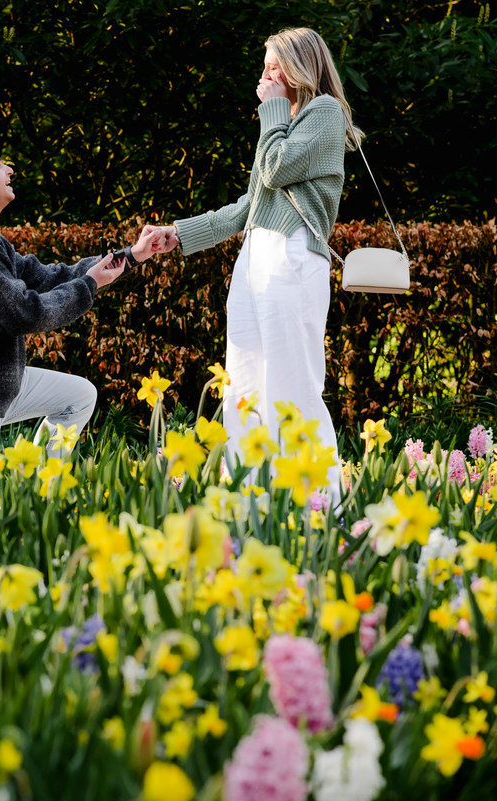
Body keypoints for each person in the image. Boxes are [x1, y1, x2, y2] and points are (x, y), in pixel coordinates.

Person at [146, 27, 363, 504]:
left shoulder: (324, 112)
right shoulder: (285, 124)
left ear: (300, 67)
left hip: (290, 256)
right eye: (263, 66)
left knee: (292, 386)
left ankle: (317, 504)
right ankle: (253, 503)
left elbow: (275, 170)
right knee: (245, 388)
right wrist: (179, 234)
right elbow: (251, 203)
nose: (265, 75)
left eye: (274, 65)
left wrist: (271, 114)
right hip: (255, 258)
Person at [0, 137, 160, 476]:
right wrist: (91, 284)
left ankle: (36, 483)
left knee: (77, 397)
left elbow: (45, 277)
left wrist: (132, 255)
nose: (9, 169)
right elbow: (24, 313)